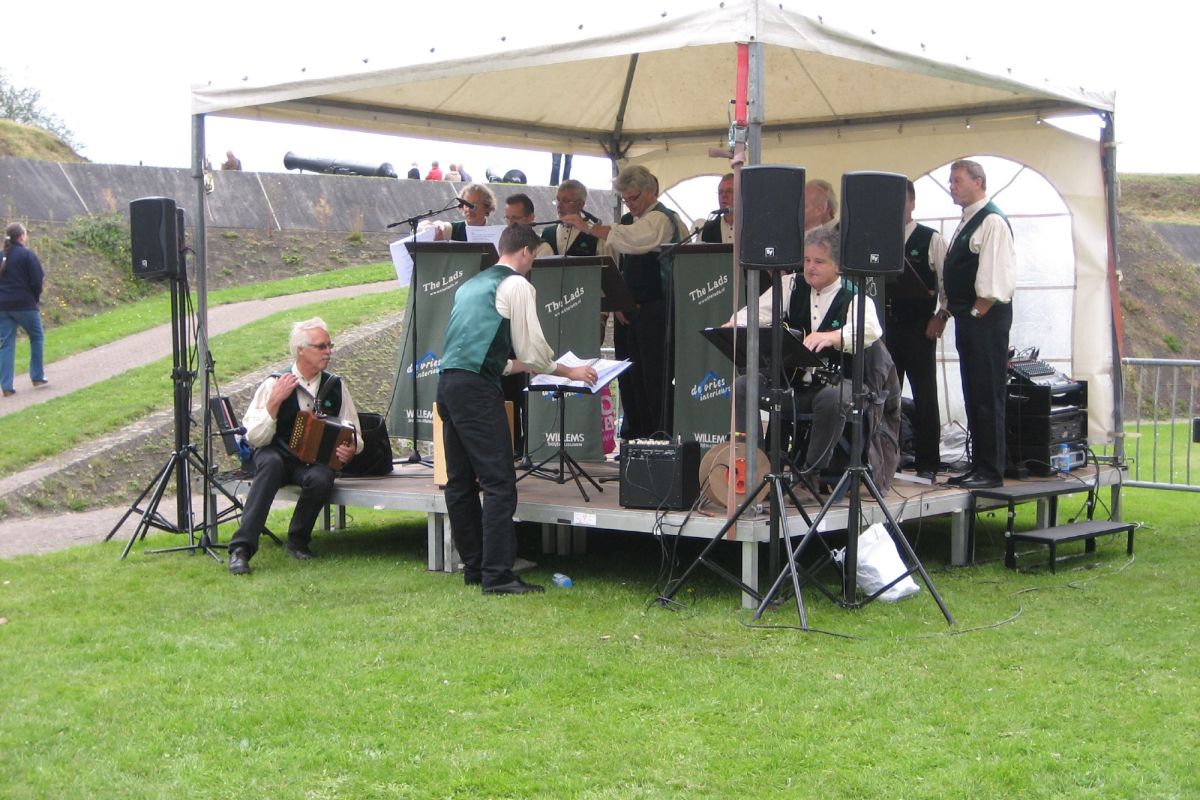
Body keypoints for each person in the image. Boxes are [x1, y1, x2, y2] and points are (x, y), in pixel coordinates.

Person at [437, 224, 596, 594]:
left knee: (459, 481)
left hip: (448, 383)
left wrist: (516, 366)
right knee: (498, 481)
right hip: (477, 390)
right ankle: (497, 575)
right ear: (526, 251)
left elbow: (476, 348)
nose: (532, 264)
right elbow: (534, 350)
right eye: (534, 256)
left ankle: (475, 567)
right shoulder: (517, 285)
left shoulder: (470, 285)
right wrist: (568, 371)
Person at [728, 225, 882, 478]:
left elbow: (870, 330)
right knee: (744, 385)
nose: (810, 267)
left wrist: (832, 336)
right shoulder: (790, 285)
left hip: (838, 384)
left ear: (838, 266)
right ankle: (755, 466)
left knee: (832, 398)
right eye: (807, 260)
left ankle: (811, 472)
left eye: (819, 262)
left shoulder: (854, 295)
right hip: (792, 386)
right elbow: (755, 312)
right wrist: (734, 324)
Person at [226, 318, 363, 575]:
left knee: (322, 476)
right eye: (321, 346)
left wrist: (350, 448)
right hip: (275, 453)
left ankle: (298, 541)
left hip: (311, 462)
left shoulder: (335, 386)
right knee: (270, 464)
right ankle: (241, 549)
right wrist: (274, 402)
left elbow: (354, 433)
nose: (328, 351)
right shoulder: (274, 384)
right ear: (301, 350)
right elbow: (253, 437)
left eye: (330, 346)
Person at [560, 165, 688, 439]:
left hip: (656, 310)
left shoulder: (664, 219)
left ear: (650, 191)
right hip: (628, 312)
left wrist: (589, 227)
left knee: (654, 378)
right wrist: (618, 302)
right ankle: (635, 437)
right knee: (629, 377)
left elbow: (635, 240)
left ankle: (659, 438)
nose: (630, 204)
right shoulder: (630, 219)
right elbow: (621, 264)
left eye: (634, 198)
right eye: (625, 199)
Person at [943, 159, 1016, 490]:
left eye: (958, 180)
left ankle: (991, 469)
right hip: (969, 317)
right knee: (973, 392)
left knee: (987, 393)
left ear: (979, 182)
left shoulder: (991, 221)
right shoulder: (968, 220)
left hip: (984, 319)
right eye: (951, 181)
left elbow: (995, 276)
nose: (952, 186)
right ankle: (978, 463)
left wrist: (975, 313)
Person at [884, 179, 949, 481]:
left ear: (912, 203)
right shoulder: (880, 240)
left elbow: (947, 282)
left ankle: (928, 462)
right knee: (887, 395)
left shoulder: (931, 239)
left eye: (902, 201)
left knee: (925, 395)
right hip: (887, 327)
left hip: (920, 327)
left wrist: (942, 315)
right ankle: (889, 459)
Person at [0, 223, 48, 397]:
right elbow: (37, 280)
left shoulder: (2, 256)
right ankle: (37, 376)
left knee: (6, 344)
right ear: (21, 236)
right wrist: (34, 298)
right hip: (24, 304)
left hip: (3, 305)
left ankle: (6, 385)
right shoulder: (27, 255)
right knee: (36, 336)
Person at [536, 179, 599, 258]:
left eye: (565, 201)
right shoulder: (547, 233)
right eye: (558, 200)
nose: (559, 206)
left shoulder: (596, 234)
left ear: (580, 204)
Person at [430, 183, 496, 240]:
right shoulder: (452, 230)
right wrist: (436, 227)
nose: (469, 209)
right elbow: (437, 226)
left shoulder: (496, 233)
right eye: (466, 204)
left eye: (473, 205)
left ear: (487, 207)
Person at [699, 173, 735, 243]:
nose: (724, 195)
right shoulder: (708, 228)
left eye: (729, 191)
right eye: (720, 192)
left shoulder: (752, 226)